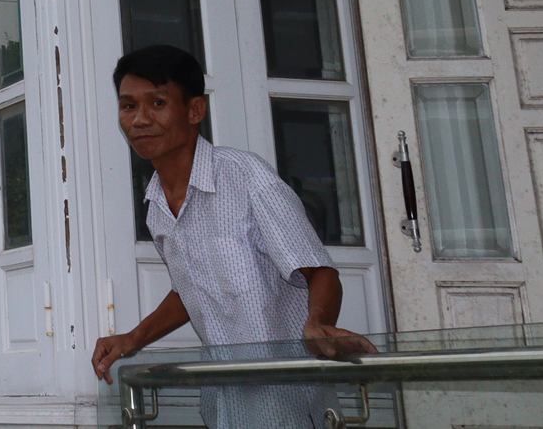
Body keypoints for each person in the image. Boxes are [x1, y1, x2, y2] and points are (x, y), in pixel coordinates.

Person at [90, 45, 372, 428]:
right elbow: (193, 290)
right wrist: (134, 338)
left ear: (194, 110)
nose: (139, 120)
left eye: (157, 103)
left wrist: (318, 321)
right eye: (128, 106)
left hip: (285, 393)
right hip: (223, 394)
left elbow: (320, 271)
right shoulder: (157, 206)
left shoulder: (246, 178)